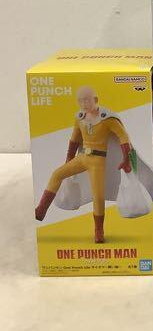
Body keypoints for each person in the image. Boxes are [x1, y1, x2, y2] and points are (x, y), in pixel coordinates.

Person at [34, 86, 132, 243]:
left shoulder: (107, 119)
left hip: (97, 161)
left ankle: (98, 230)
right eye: (80, 100)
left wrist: (126, 158)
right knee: (57, 174)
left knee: (98, 196)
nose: (83, 104)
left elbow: (123, 136)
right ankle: (41, 210)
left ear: (95, 100)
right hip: (82, 158)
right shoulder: (80, 118)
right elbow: (74, 140)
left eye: (87, 100)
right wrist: (69, 159)